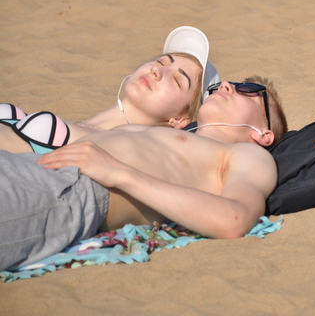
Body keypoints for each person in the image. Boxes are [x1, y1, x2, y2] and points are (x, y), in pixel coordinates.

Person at [0, 76, 288, 272]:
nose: (226, 85)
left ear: (263, 134)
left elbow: (234, 219)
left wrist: (120, 174)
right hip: (31, 167)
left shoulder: (247, 155)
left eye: (248, 89)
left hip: (69, 192)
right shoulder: (167, 135)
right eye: (228, 84)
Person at [0, 26, 220, 154]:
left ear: (179, 119)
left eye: (177, 80)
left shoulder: (118, 149)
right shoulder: (86, 127)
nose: (156, 70)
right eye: (162, 62)